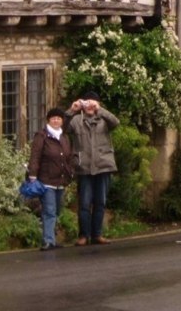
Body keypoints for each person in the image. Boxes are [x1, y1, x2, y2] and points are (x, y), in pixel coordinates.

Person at [67, 91, 119, 245]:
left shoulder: (104, 120)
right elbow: (62, 128)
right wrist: (71, 110)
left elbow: (116, 122)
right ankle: (84, 235)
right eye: (87, 103)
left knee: (100, 202)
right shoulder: (76, 120)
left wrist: (99, 109)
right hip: (84, 167)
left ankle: (97, 234)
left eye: (93, 103)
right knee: (84, 203)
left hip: (103, 166)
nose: (89, 106)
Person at [27, 107, 73, 250]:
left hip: (61, 181)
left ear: (62, 121)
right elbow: (35, 156)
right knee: (49, 210)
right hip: (46, 180)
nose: (56, 121)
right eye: (53, 118)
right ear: (48, 120)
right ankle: (48, 241)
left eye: (58, 118)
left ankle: (52, 238)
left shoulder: (64, 137)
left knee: (57, 210)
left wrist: (71, 172)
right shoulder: (41, 136)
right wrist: (33, 175)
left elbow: (69, 157)